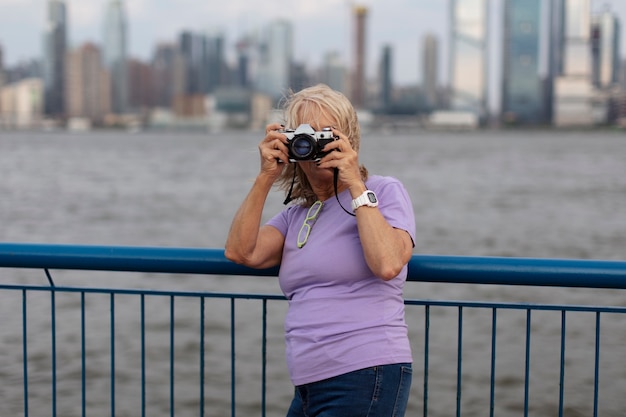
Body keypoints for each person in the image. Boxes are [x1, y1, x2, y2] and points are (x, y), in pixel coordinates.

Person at [225, 84, 415, 417]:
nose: (314, 144)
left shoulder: (382, 191)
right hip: (309, 384)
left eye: (325, 133)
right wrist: (266, 176)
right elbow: (242, 252)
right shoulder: (297, 213)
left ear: (349, 138)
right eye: (303, 134)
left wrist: (354, 182)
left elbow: (388, 263)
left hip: (365, 373)